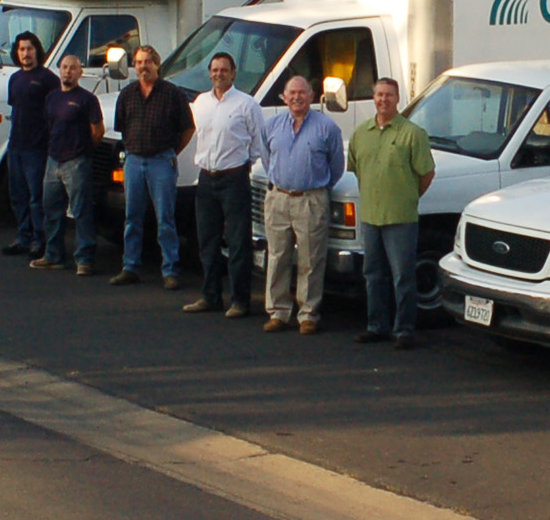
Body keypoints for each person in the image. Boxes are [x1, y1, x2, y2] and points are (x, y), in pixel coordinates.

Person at [346, 77, 434, 350]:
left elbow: (426, 174)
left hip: (401, 217)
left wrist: (406, 196)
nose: (384, 100)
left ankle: (405, 329)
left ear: (398, 99)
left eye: (389, 95)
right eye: (379, 95)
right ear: (373, 98)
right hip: (371, 217)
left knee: (403, 276)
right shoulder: (361, 133)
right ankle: (377, 326)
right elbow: (357, 170)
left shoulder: (412, 134)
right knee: (373, 274)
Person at [256, 75, 343, 335]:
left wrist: (317, 190)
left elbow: (336, 167)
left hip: (311, 199)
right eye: (291, 92)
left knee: (311, 258)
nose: (296, 97)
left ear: (312, 95)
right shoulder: (271, 126)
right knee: (277, 256)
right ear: (283, 96)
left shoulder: (327, 128)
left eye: (301, 92)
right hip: (278, 198)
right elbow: (266, 156)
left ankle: (308, 314)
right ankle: (278, 312)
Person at [185, 52, 263, 317]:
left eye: (224, 70)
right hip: (207, 178)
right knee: (207, 241)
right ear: (209, 73)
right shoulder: (200, 102)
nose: (219, 74)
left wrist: (242, 166)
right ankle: (210, 296)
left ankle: (240, 301)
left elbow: (257, 144)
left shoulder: (247, 105)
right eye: (215, 70)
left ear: (233, 73)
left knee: (239, 242)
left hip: (234, 179)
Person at [111, 45, 195, 289]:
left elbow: (188, 128)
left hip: (161, 161)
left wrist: (171, 152)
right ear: (134, 66)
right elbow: (122, 127)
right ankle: (130, 267)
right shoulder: (127, 95)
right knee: (132, 218)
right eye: (138, 62)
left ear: (157, 65)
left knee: (165, 219)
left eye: (148, 61)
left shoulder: (173, 94)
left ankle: (170, 270)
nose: (143, 66)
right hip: (134, 161)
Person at [32, 55, 104, 275]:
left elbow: (97, 131)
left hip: (77, 161)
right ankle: (53, 255)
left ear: (80, 72)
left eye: (73, 68)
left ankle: (84, 259)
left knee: (81, 212)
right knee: (52, 211)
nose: (67, 72)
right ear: (59, 70)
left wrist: (84, 152)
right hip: (53, 160)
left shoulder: (87, 99)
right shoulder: (51, 97)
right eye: (64, 67)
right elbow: (49, 125)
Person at [0, 33, 56, 256]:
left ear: (37, 51)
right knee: (18, 195)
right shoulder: (14, 79)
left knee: (36, 197)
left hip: (37, 147)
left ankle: (39, 239)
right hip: (16, 145)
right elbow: (15, 108)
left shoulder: (48, 79)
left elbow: (54, 113)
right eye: (22, 49)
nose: (25, 53)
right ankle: (23, 237)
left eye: (29, 49)